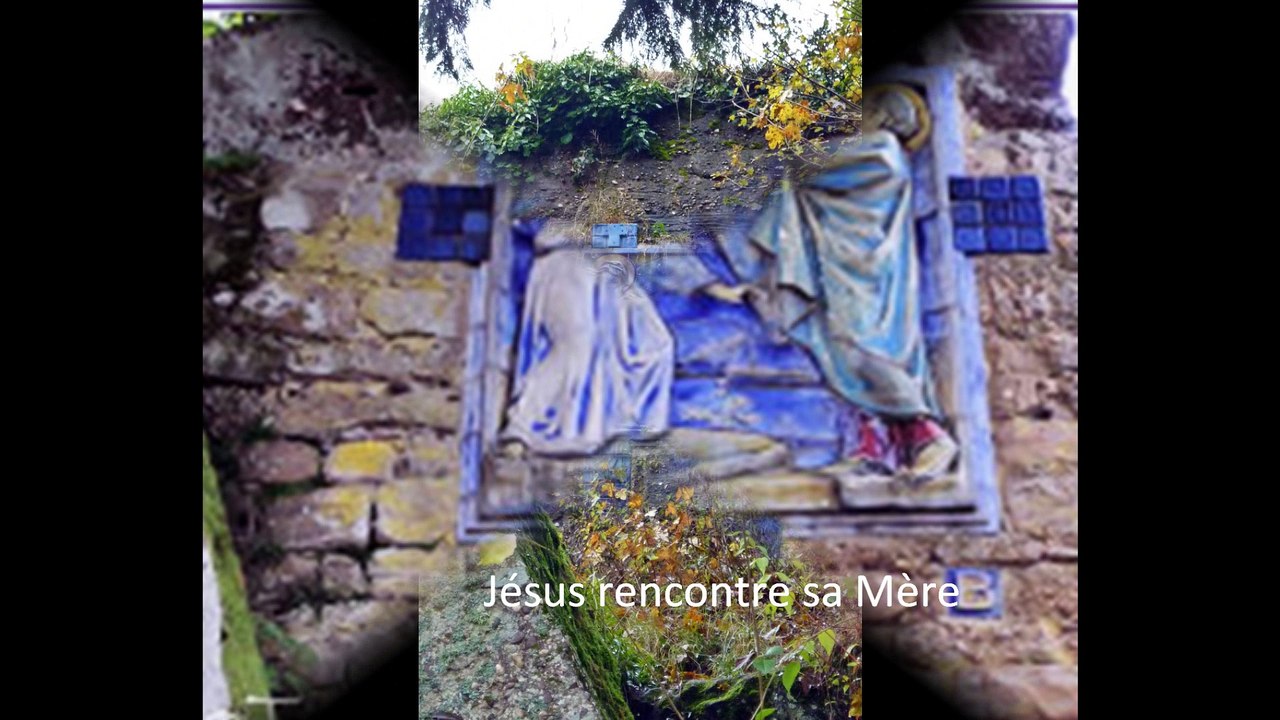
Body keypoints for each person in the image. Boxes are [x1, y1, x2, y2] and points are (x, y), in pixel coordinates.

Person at [702, 88, 958, 479]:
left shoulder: (882, 150)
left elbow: (813, 165)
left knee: (860, 353)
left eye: (870, 107)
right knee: (837, 354)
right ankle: (873, 448)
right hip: (842, 269)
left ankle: (930, 436)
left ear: (888, 118)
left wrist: (780, 145)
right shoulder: (878, 151)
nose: (862, 114)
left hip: (865, 279)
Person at [502, 222, 673, 456]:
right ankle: (522, 427)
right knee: (574, 348)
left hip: (608, 270)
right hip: (566, 264)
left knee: (656, 343)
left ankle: (626, 420)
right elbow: (542, 227)